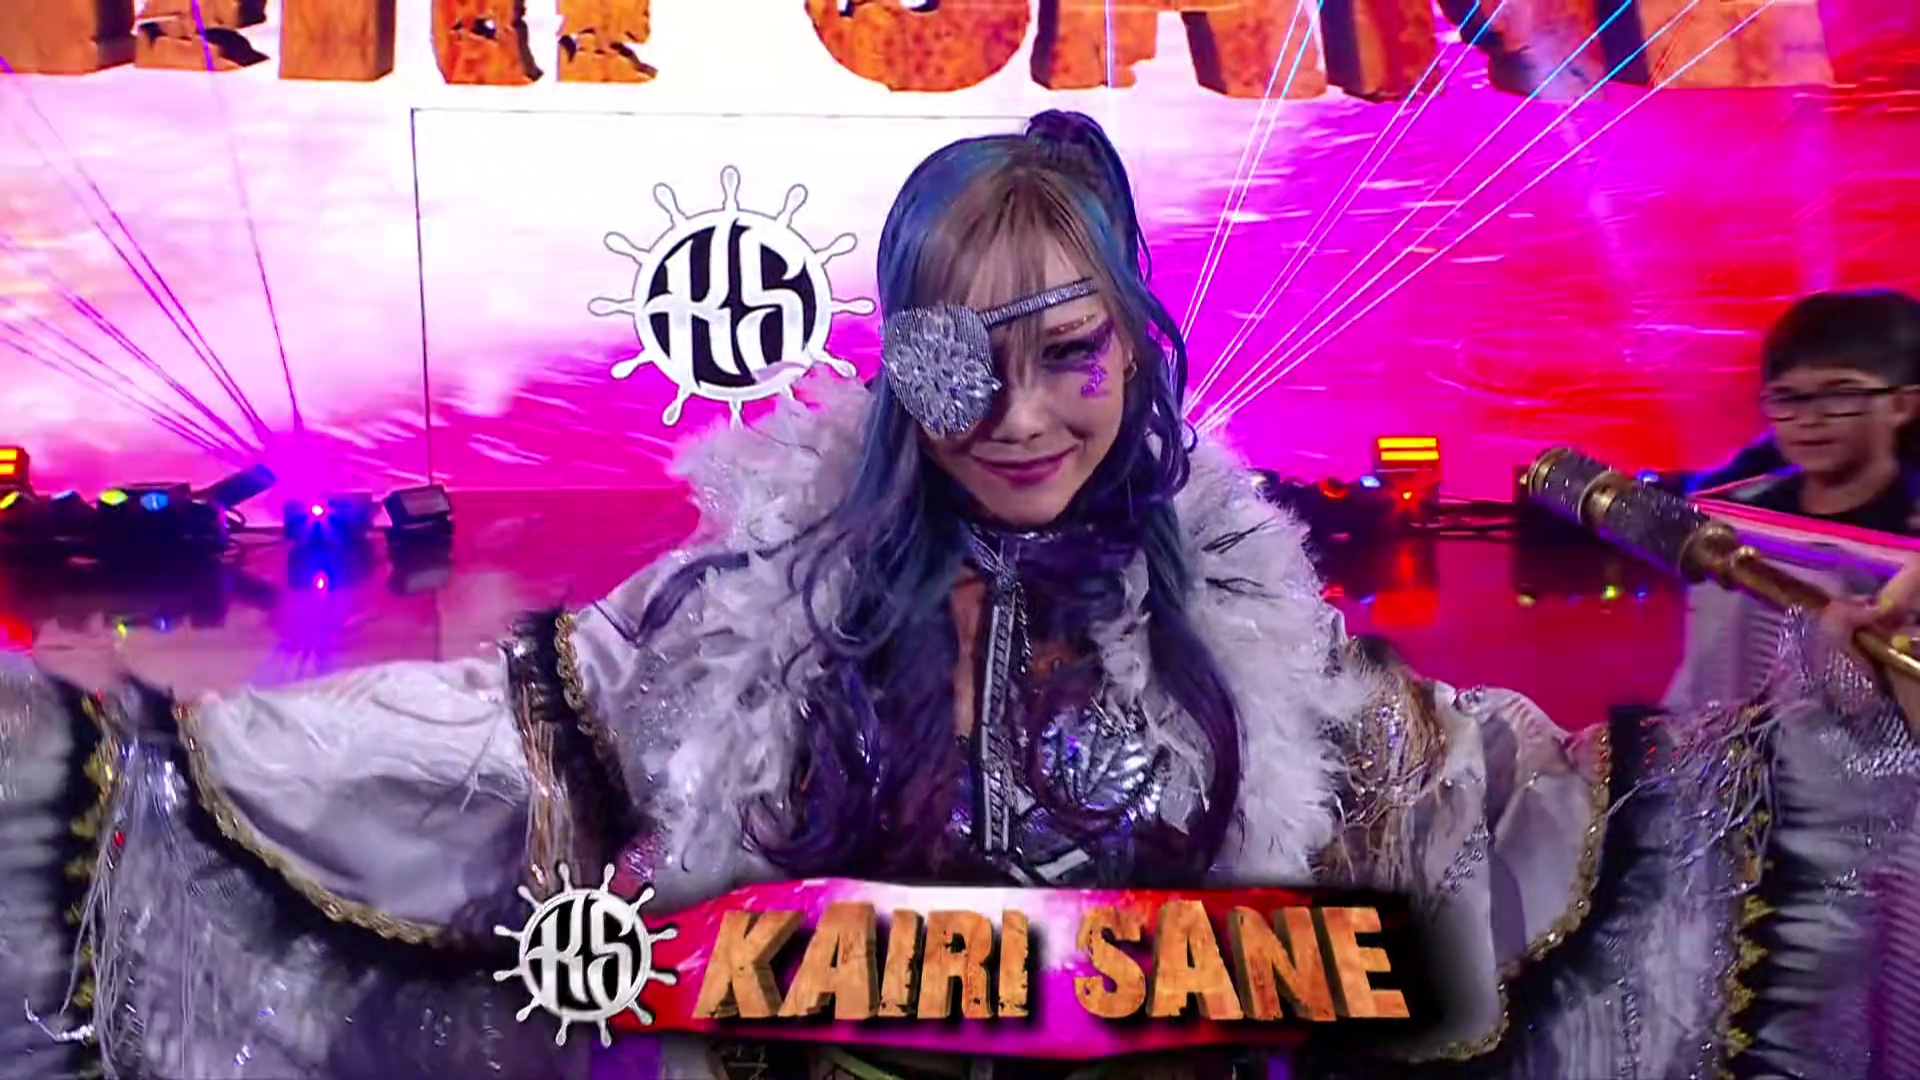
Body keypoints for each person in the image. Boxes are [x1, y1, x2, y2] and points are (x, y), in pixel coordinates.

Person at [4, 112, 1920, 1080]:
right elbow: (469, 761)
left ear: (1136, 349)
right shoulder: (743, 601)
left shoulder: (1250, 632)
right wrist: (85, 764)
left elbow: (1496, 826)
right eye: (955, 363)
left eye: (1068, 353)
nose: (1014, 418)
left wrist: (1825, 736)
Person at [1693, 289, 1920, 534]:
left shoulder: (1911, 528)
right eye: (1787, 397)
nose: (1808, 419)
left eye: (1839, 395)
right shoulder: (1731, 515)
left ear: (1901, 406)